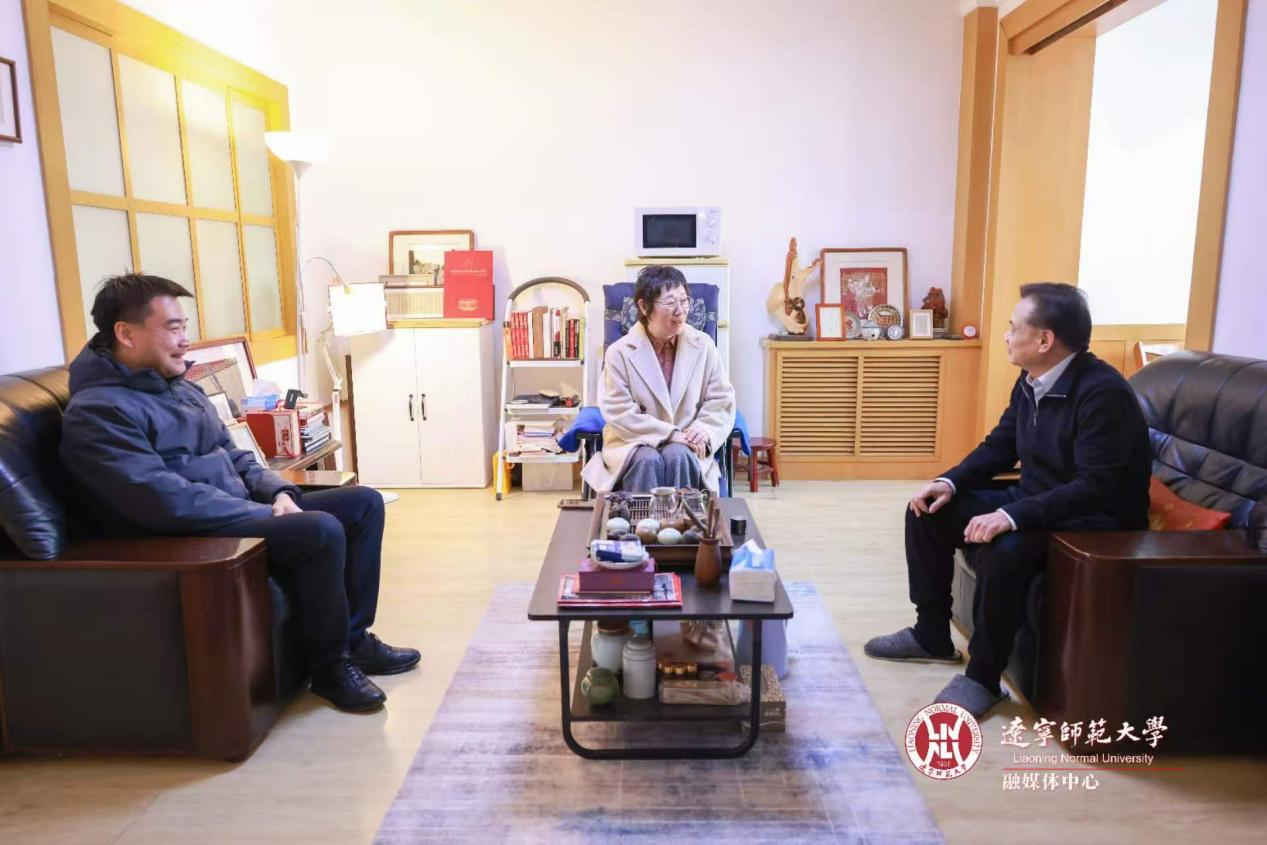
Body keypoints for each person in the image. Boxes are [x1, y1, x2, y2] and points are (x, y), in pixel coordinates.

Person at [60, 274, 419, 713]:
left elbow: (236, 456)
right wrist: (261, 512)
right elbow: (162, 500)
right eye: (172, 328)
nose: (185, 340)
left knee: (362, 503)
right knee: (321, 529)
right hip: (185, 533)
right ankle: (330, 668)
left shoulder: (181, 387)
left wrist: (280, 493)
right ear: (126, 333)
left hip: (236, 509)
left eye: (184, 327)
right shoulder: (98, 411)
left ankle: (353, 639)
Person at [864, 283, 1151, 718]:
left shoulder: (1103, 393)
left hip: (1091, 521)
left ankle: (983, 678)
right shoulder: (1032, 379)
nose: (1005, 335)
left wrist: (1010, 515)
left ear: (1044, 339)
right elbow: (1001, 446)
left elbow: (1096, 486)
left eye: (1013, 327)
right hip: (1038, 501)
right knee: (927, 511)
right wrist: (949, 482)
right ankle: (931, 635)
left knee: (1005, 550)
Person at [581, 265, 736, 494]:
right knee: (647, 459)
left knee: (678, 455)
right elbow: (619, 411)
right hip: (632, 441)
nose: (680, 311)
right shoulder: (619, 353)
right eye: (670, 302)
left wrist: (703, 429)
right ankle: (638, 518)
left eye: (684, 301)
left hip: (687, 440)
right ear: (644, 307)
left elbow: (721, 400)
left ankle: (684, 518)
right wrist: (671, 434)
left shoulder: (704, 345)